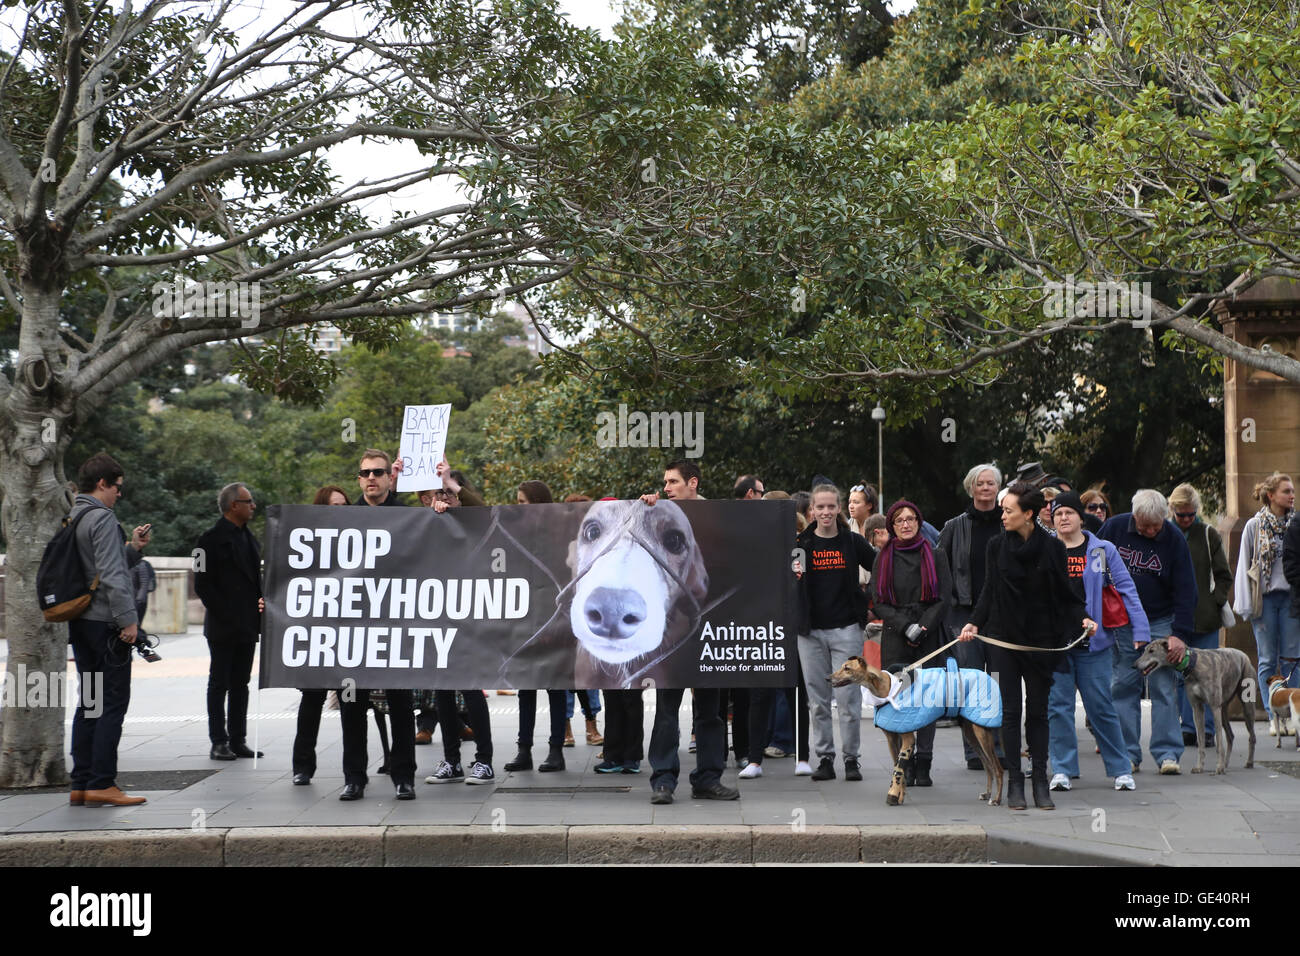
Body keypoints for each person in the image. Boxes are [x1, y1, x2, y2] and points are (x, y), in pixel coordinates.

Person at [960, 481, 1095, 810]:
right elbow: (989, 590)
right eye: (1003, 510)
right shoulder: (996, 546)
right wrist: (974, 622)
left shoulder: (1053, 549)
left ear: (1029, 514)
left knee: (1038, 713)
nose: (1002, 515)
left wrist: (1084, 619)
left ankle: (1039, 780)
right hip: (1004, 638)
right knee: (1010, 713)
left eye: (1008, 510)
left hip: (1040, 641)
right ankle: (1015, 783)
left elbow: (1067, 593)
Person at [639, 459, 738, 804]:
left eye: (672, 482)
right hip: (673, 628)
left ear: (692, 483)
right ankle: (663, 780)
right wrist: (646, 510)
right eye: (665, 482)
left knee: (710, 710)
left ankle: (708, 778)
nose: (665, 488)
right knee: (667, 707)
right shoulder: (658, 513)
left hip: (712, 628)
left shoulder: (720, 517)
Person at [67, 453, 152, 807]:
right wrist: (129, 621)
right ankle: (103, 783)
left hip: (82, 622)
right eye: (117, 487)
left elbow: (95, 569)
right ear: (102, 483)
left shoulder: (74, 515)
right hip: (106, 624)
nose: (119, 494)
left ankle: (81, 783)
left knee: (90, 702)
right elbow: (114, 577)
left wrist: (131, 548)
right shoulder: (102, 517)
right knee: (112, 704)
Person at [1046, 493, 1146, 792]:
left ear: (1080, 517)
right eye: (1058, 513)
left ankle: (1120, 768)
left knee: (1101, 706)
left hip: (1094, 643)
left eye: (1069, 513)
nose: (1063, 518)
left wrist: (1140, 629)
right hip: (1057, 645)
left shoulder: (1101, 549)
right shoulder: (1047, 549)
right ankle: (1063, 769)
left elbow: (1125, 588)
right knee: (1059, 707)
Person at [1100, 489, 1195, 776]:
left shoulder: (1173, 538)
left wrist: (1179, 633)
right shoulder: (1115, 527)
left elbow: (1186, 589)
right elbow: (1094, 567)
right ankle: (1128, 753)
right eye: (1146, 526)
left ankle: (1168, 753)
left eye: (1157, 525)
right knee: (1123, 685)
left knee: (1164, 687)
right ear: (1135, 517)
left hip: (1159, 621)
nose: (1152, 530)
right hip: (1122, 621)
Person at [338, 451, 416, 800]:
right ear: (359, 479)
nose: (371, 478)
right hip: (353, 628)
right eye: (365, 473)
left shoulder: (408, 517)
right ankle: (354, 777)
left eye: (378, 472)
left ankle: (404, 776)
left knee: (400, 705)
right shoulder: (343, 519)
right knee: (352, 707)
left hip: (394, 627)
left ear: (390, 478)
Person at [793, 483, 877, 782]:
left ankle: (851, 759)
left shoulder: (852, 543)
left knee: (849, 700)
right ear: (811, 510)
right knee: (817, 701)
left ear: (838, 508)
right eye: (820, 507)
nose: (826, 512)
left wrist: (871, 605)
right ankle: (825, 758)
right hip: (810, 633)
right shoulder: (801, 545)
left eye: (831, 506)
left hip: (846, 630)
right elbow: (792, 582)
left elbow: (880, 568)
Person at [873, 499, 951, 787]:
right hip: (896, 634)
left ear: (919, 522)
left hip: (928, 633)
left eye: (910, 519)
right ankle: (903, 761)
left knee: (926, 699)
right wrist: (905, 627)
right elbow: (878, 601)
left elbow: (944, 597)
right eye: (899, 521)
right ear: (892, 527)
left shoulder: (935, 553)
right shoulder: (883, 556)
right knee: (899, 699)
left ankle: (925, 762)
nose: (905, 524)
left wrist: (924, 626)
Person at [423, 482, 496, 785]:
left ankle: (484, 761)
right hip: (439, 620)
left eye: (450, 494)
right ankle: (452, 761)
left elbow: (484, 512)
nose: (444, 500)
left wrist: (455, 487)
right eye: (439, 495)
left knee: (470, 690)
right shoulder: (430, 526)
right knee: (442, 693)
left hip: (469, 623)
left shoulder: (476, 527)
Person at [939, 463, 1005, 770]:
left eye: (992, 483)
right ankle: (974, 751)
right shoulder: (955, 526)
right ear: (971, 488)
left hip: (1002, 615)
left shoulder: (1009, 522)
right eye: (981, 483)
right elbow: (941, 567)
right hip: (965, 615)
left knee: (1000, 681)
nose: (987, 488)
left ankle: (1001, 747)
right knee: (972, 682)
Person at [195, 482, 264, 762]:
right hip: (223, 626)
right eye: (249, 501)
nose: (253, 506)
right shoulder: (207, 540)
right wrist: (228, 615)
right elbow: (202, 586)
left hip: (247, 625)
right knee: (218, 683)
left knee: (241, 683)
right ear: (234, 506)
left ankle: (238, 739)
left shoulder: (250, 538)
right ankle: (218, 741)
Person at [504, 480, 569, 773]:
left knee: (555, 687)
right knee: (526, 688)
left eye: (523, 502)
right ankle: (524, 750)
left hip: (553, 620)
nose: (518, 507)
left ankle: (556, 750)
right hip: (524, 619)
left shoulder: (558, 535)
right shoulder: (515, 535)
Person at [292, 486, 351, 785]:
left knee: (352, 703)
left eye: (344, 505)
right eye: (333, 506)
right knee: (312, 699)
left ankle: (354, 771)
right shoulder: (309, 545)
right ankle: (302, 765)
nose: (339, 511)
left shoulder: (360, 542)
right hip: (318, 633)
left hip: (350, 632)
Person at [1234, 472, 1300, 729]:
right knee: (1267, 659)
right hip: (1265, 598)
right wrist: (1244, 603)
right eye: (1286, 491)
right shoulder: (1255, 525)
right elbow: (1244, 565)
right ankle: (1274, 717)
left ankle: (1293, 714)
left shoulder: (1297, 523)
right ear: (1271, 495)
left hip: (1292, 597)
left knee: (1292, 658)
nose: (1292, 496)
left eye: (1293, 491)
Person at [1169, 484, 1232, 746]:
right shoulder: (1163, 532)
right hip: (1172, 616)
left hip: (1205, 617)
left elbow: (1223, 574)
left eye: (1190, 514)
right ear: (1172, 510)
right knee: (1179, 675)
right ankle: (1185, 727)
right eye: (1180, 514)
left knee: (1206, 675)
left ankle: (1205, 729)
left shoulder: (1208, 534)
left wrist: (1215, 601)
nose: (1185, 519)